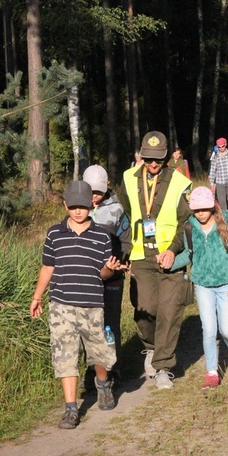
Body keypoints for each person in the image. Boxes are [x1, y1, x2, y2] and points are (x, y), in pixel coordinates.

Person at [30, 180, 125, 429]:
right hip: (61, 305)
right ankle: (71, 409)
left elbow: (103, 275)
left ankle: (103, 384)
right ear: (65, 205)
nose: (78, 211)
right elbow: (48, 267)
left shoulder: (102, 236)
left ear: (91, 206)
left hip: (92, 305)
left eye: (83, 206)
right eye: (73, 206)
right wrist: (37, 296)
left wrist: (108, 269)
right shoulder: (54, 233)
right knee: (65, 355)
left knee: (98, 354)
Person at [119, 131, 193, 389]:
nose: (153, 164)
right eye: (149, 159)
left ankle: (163, 367)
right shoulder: (128, 178)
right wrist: (124, 252)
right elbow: (126, 215)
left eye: (158, 159)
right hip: (141, 256)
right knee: (145, 311)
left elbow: (187, 222)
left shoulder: (179, 182)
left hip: (170, 257)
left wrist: (174, 249)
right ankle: (150, 347)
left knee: (170, 312)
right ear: (141, 155)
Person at [172, 187, 228, 389]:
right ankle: (212, 372)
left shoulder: (226, 225)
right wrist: (168, 262)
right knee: (209, 330)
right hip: (202, 284)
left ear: (213, 206)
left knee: (227, 330)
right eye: (196, 210)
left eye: (204, 209)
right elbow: (189, 255)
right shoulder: (190, 227)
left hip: (226, 285)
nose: (200, 214)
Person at [81, 165, 131, 388]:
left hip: (112, 278)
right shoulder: (78, 208)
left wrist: (119, 260)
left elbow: (127, 239)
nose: (94, 197)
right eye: (90, 192)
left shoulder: (117, 210)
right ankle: (92, 370)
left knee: (110, 324)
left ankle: (113, 369)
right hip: (86, 280)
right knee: (90, 325)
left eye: (98, 192)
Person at [208, 137, 228, 219]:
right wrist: (212, 184)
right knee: (222, 201)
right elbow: (212, 171)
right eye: (219, 147)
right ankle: (225, 216)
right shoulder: (215, 156)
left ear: (225, 145)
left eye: (223, 146)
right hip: (220, 182)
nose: (221, 148)